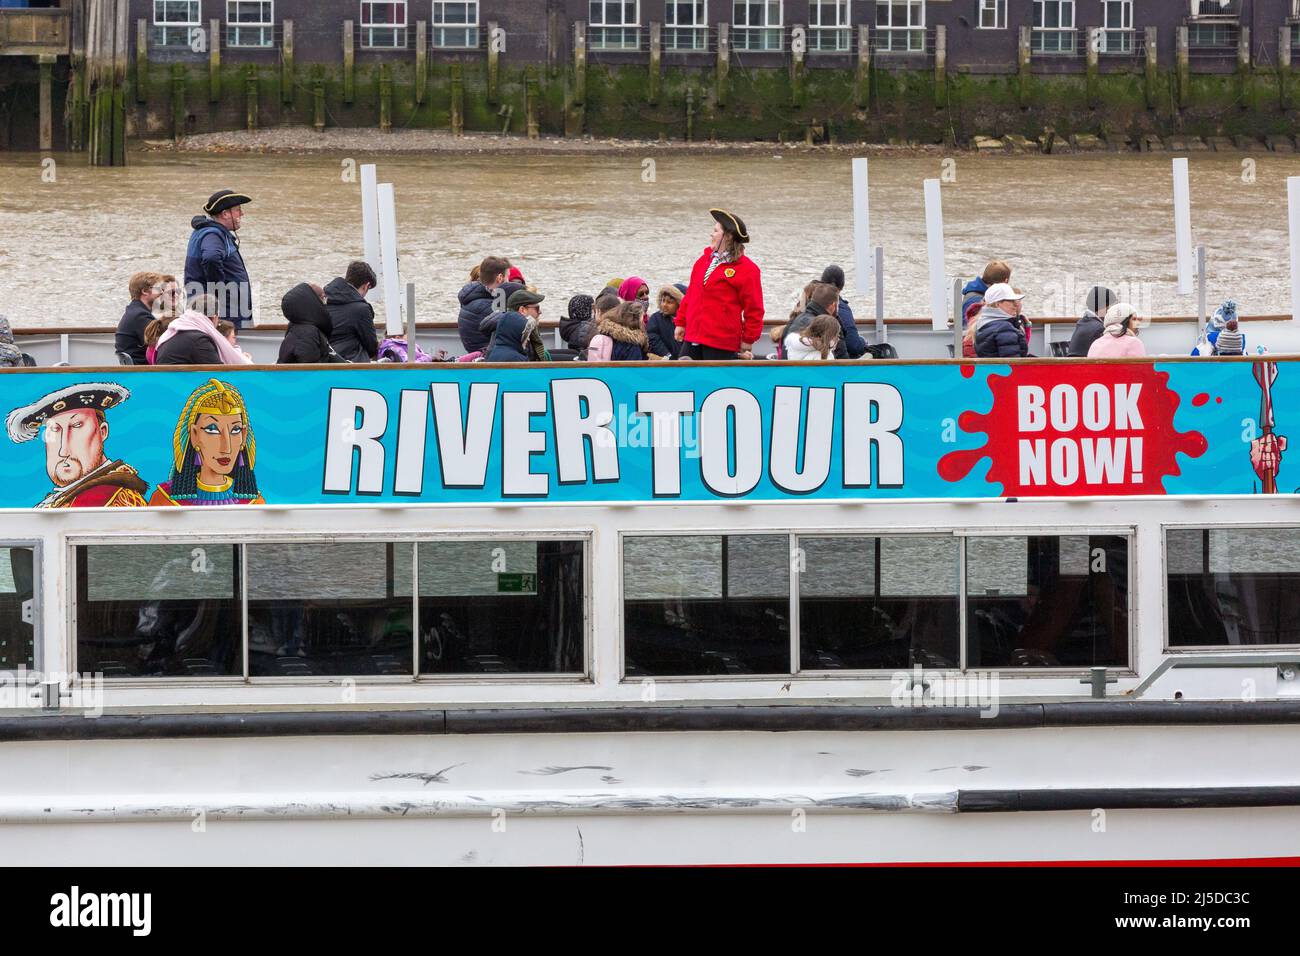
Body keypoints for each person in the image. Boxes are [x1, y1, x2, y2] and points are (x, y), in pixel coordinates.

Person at [4, 382, 148, 508]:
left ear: (102, 432)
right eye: (55, 429)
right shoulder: (64, 497)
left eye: (77, 425)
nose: (63, 450)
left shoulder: (112, 497)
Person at [150, 379, 265, 507]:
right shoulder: (164, 500)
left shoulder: (254, 503)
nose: (226, 448)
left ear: (243, 436)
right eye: (212, 429)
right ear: (194, 434)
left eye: (235, 430)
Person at [676, 208, 765, 360]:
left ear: (728, 236)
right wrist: (681, 323)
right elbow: (690, 295)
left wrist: (748, 339)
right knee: (685, 380)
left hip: (721, 342)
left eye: (716, 231)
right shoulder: (702, 261)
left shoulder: (748, 269)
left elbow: (754, 310)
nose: (712, 234)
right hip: (693, 337)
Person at [184, 189, 253, 328]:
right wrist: (218, 289)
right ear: (225, 214)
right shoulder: (213, 234)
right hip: (224, 313)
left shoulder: (211, 232)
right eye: (238, 210)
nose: (242, 214)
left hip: (225, 311)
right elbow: (211, 258)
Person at [155, 295, 254, 366]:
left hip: (171, 386)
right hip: (184, 391)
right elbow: (219, 374)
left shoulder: (173, 331)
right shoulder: (199, 340)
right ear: (215, 317)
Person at [326, 261, 380, 363]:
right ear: (366, 286)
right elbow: (371, 347)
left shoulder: (324, 300)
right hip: (351, 363)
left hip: (325, 360)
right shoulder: (361, 309)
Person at [278, 283, 346, 364]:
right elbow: (310, 371)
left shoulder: (304, 327)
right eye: (323, 298)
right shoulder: (306, 333)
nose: (325, 303)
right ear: (314, 302)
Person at [457, 256, 509, 354]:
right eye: (507, 277)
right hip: (489, 356)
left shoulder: (474, 297)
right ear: (500, 278)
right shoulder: (488, 305)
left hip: (479, 352)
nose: (509, 282)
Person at [115, 271, 165, 365]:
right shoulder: (140, 316)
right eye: (159, 288)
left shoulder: (134, 311)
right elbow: (165, 344)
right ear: (145, 291)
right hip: (144, 372)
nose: (162, 292)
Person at [780, 282, 840, 358]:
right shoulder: (824, 326)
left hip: (790, 366)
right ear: (833, 305)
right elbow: (840, 354)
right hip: (808, 368)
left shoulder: (799, 317)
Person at [819, 265, 868, 359]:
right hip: (838, 364)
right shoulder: (841, 309)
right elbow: (853, 345)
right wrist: (863, 342)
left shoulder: (810, 305)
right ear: (842, 285)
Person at [486, 289, 548, 362]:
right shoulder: (520, 330)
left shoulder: (509, 327)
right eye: (537, 308)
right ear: (522, 310)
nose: (540, 312)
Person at [974, 284, 1029, 358]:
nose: (1015, 304)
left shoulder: (983, 323)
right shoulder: (1004, 328)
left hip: (992, 369)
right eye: (1011, 301)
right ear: (997, 304)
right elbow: (1013, 363)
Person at [1067, 286, 1118, 357]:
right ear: (1104, 306)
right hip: (1086, 367)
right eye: (1111, 307)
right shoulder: (1099, 329)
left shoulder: (1083, 322)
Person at [646, 285, 685, 360]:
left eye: (669, 302)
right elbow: (652, 338)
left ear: (679, 304)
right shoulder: (656, 318)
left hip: (685, 361)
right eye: (663, 300)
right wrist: (667, 355)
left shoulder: (688, 320)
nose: (664, 305)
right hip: (664, 359)